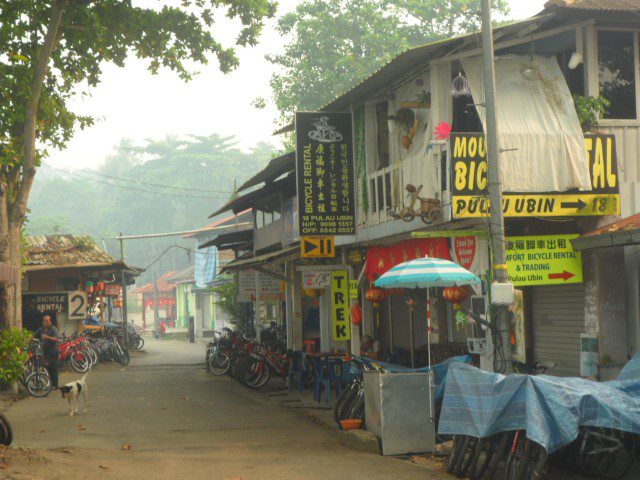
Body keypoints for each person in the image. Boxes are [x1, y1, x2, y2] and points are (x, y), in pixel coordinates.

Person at [34, 315, 60, 389]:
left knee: (53, 368)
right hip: (45, 351)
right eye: (43, 321)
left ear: (50, 322)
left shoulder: (53, 329)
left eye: (46, 321)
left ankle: (55, 385)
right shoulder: (41, 329)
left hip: (53, 351)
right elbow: (33, 336)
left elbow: (56, 339)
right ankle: (51, 384)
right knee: (47, 368)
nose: (44, 323)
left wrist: (47, 337)